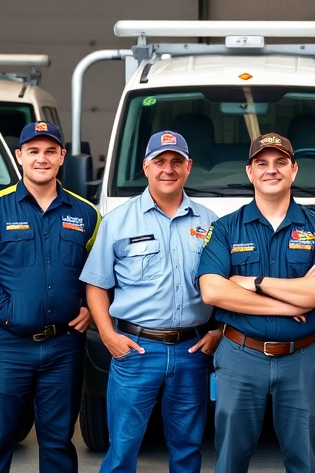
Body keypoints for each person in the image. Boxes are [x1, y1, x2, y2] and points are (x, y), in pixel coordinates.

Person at [197, 132, 315, 473]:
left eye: (280, 163)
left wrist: (255, 282)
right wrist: (293, 302)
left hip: (300, 358)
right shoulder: (225, 229)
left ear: (294, 170)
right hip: (240, 357)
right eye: (261, 163)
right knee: (230, 459)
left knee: (304, 461)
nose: (271, 170)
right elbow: (213, 292)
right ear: (250, 172)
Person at [81, 131, 221, 473]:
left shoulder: (210, 222)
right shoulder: (118, 221)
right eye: (159, 161)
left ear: (188, 167)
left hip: (192, 351)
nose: (168, 169)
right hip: (136, 351)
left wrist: (219, 330)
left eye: (176, 161)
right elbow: (96, 285)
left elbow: (226, 285)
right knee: (123, 449)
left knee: (188, 449)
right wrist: (108, 336)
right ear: (146, 166)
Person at [0, 121, 100, 473]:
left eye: (50, 151)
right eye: (34, 151)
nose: (42, 159)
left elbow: (100, 270)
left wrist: (88, 305)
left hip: (64, 345)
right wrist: (8, 312)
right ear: (19, 156)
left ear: (62, 157)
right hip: (8, 344)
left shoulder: (86, 213)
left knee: (58, 439)